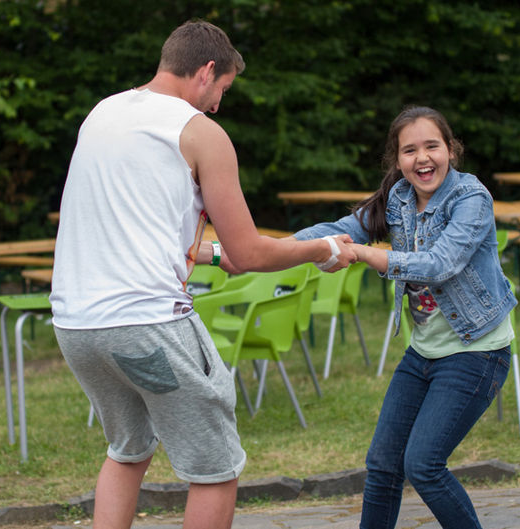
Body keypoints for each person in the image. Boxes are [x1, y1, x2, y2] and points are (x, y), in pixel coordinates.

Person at [49, 19, 357, 529]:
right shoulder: (201, 133)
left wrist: (213, 255)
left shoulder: (102, 113)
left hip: (76, 326)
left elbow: (139, 227)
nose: (217, 105)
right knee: (216, 468)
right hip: (147, 325)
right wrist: (321, 249)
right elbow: (251, 253)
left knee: (128, 449)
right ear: (207, 71)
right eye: (223, 90)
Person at [291, 106, 517, 529]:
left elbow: (439, 264)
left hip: (477, 351)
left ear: (451, 150)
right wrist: (268, 249)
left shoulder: (471, 199)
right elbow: (339, 228)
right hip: (423, 353)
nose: (422, 158)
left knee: (424, 466)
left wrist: (365, 254)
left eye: (432, 146)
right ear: (397, 160)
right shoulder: (398, 199)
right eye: (409, 150)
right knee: (383, 465)